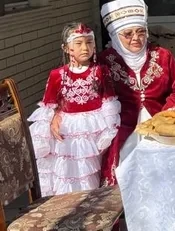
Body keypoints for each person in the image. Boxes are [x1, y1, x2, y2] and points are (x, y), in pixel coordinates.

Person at [98, 0, 175, 187]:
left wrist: (163, 118)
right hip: (122, 132)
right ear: (115, 36)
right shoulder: (104, 62)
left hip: (162, 127)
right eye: (127, 34)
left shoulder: (163, 55)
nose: (136, 38)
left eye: (141, 32)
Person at [28, 23, 120, 196]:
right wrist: (50, 124)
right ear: (66, 48)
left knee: (90, 170)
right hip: (67, 131)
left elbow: (109, 102)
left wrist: (109, 130)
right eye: (78, 43)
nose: (85, 48)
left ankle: (90, 205)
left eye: (89, 42)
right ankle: (67, 205)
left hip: (93, 130)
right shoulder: (57, 75)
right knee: (68, 170)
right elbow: (48, 105)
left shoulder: (101, 72)